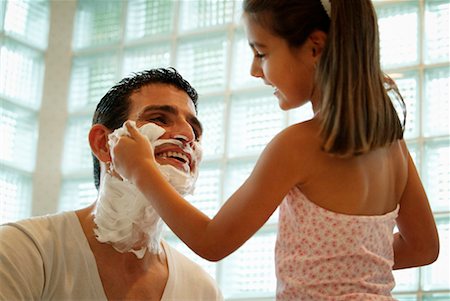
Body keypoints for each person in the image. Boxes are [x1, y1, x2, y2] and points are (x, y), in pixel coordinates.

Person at [110, 1, 440, 300]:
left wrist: (142, 170)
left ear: (315, 47)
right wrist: (352, 267)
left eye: (262, 53)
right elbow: (423, 247)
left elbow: (212, 242)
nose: (255, 70)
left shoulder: (297, 146)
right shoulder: (392, 144)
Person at [0, 68, 222, 300]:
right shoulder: (23, 251)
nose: (187, 135)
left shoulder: (202, 290)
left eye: (196, 131)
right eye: (158, 118)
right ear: (104, 144)